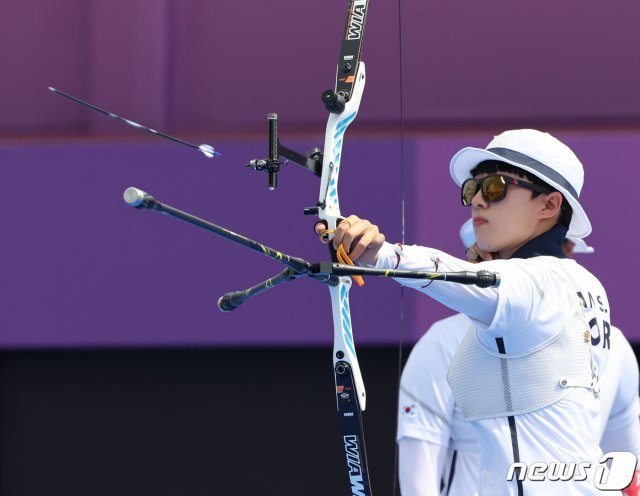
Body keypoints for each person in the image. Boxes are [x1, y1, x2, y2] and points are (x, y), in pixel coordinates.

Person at [321, 129, 632, 494]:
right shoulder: (585, 285)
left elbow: (475, 279)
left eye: (497, 188)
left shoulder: (534, 284)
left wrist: (381, 253)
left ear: (549, 205)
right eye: (473, 189)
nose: (478, 201)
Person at [396, 219, 640, 496]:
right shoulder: (443, 342)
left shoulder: (617, 346)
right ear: (480, 259)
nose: (559, 264)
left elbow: (627, 471)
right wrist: (384, 255)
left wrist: (385, 255)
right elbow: (419, 481)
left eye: (561, 247)